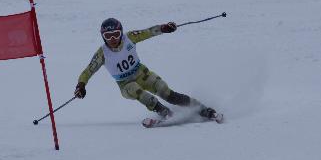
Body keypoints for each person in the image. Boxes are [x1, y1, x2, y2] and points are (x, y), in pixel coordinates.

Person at [74, 18, 223, 122]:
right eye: (108, 36)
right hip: (125, 84)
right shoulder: (102, 54)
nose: (112, 39)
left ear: (121, 33)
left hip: (142, 73)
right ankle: (165, 113)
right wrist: (81, 85)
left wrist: (164, 28)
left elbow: (148, 32)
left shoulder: (129, 38)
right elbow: (88, 71)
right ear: (103, 36)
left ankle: (203, 109)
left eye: (116, 35)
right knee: (137, 91)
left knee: (165, 91)